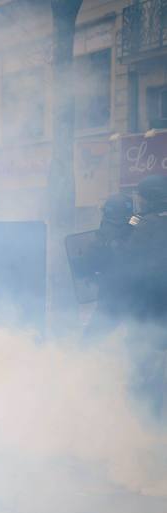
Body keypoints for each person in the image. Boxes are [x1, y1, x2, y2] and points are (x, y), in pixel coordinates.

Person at [110, 174, 167, 423]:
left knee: (145, 372)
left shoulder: (148, 226)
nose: (139, 201)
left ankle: (146, 426)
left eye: (142, 196)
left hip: (149, 310)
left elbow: (125, 262)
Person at [85, 194, 135, 339]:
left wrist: (91, 274)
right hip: (138, 294)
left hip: (113, 294)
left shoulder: (105, 233)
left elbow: (91, 260)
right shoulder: (139, 226)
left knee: (90, 341)